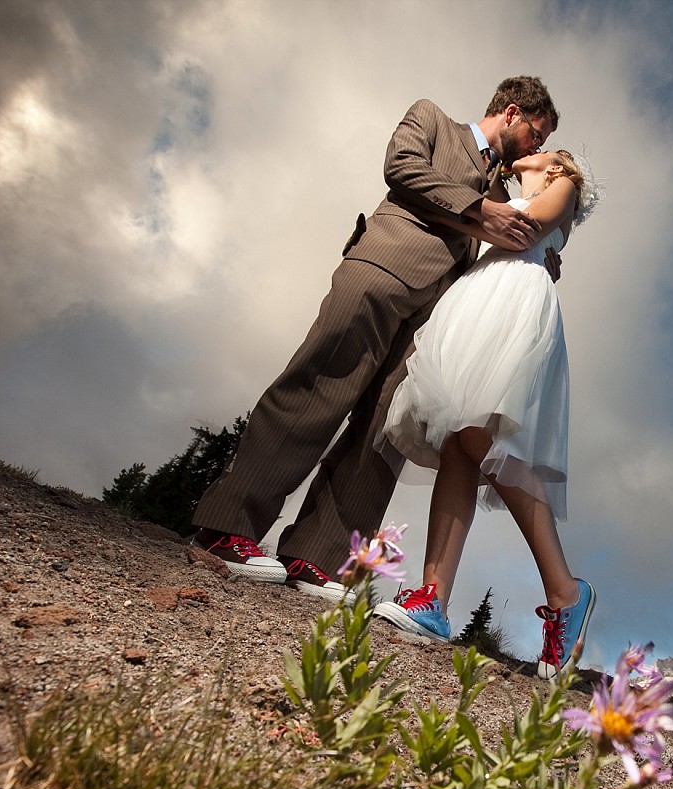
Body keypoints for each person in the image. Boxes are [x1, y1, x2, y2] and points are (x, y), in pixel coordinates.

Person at [188, 78, 559, 599]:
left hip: (435, 317)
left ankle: (317, 556)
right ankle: (229, 525)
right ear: (513, 112)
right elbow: (402, 168)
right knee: (318, 386)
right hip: (381, 270)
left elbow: (522, 235)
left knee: (384, 429)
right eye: (536, 134)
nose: (537, 148)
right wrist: (481, 212)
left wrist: (537, 251)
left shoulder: (506, 190)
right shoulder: (432, 118)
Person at [371, 149, 601, 680]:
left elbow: (523, 229)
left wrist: (483, 209)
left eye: (543, 146)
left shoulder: (562, 183)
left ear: (559, 164)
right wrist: (487, 201)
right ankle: (432, 599)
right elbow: (491, 221)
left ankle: (566, 589)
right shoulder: (504, 187)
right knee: (458, 441)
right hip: (480, 295)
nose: (532, 149)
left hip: (515, 301)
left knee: (481, 435)